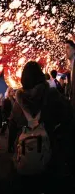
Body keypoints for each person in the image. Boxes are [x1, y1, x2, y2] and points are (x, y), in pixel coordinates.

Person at [8, 61, 75, 194]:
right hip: (51, 149)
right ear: (40, 75)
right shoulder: (53, 96)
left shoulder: (18, 103)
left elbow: (12, 126)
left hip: (26, 153)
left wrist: (12, 147)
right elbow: (69, 118)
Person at [2, 87, 16, 152]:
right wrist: (7, 117)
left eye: (13, 91)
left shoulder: (14, 99)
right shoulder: (6, 100)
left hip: (14, 118)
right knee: (11, 133)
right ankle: (10, 147)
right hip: (9, 118)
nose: (13, 92)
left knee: (13, 133)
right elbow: (4, 110)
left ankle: (12, 146)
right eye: (12, 91)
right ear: (9, 92)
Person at [65, 39, 75, 109]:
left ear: (74, 50)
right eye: (65, 48)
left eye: (68, 47)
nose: (65, 51)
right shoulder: (71, 67)